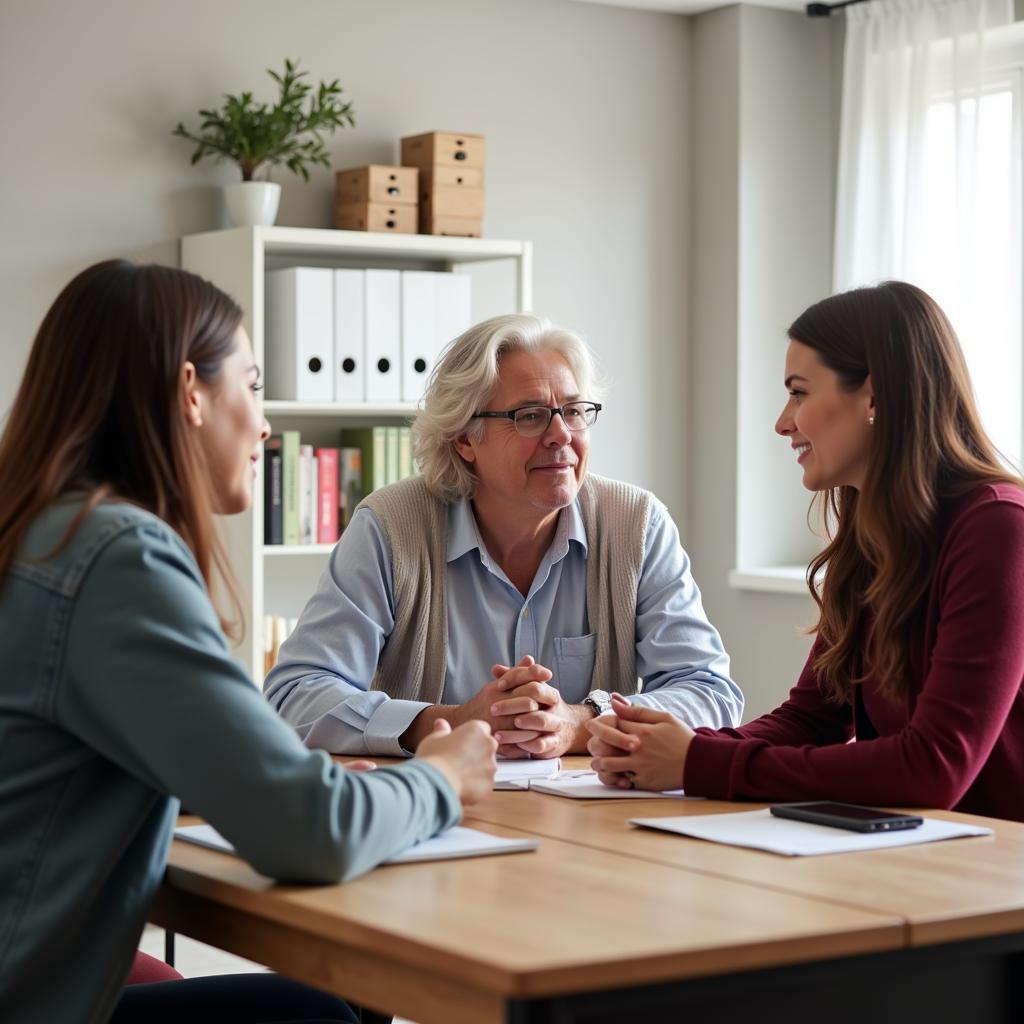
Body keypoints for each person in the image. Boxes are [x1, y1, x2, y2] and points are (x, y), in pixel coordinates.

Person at [0, 260, 497, 1023]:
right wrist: (442, 777)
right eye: (255, 385)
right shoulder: (116, 558)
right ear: (189, 392)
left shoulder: (39, 533)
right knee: (318, 1016)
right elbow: (308, 833)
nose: (265, 424)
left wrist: (300, 779)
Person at [586, 281, 1024, 823]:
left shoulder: (1000, 527)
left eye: (799, 392)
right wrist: (666, 750)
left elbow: (935, 767)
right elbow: (813, 718)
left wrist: (700, 761)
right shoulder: (872, 535)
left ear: (874, 397)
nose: (782, 421)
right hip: (926, 856)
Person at [265, 313, 742, 759]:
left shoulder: (636, 525)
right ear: (465, 439)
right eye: (530, 415)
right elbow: (294, 695)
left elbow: (710, 691)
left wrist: (581, 723)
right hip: (437, 811)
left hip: (589, 819)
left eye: (574, 411)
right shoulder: (391, 528)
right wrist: (447, 723)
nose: (560, 435)